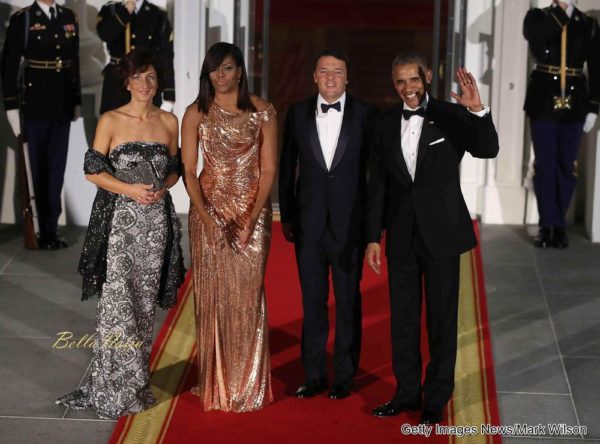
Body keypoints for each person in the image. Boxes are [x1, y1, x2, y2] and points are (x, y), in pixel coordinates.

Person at [365, 52, 499, 424]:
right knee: (403, 320)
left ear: (425, 78)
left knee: (441, 320)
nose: (408, 88)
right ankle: (406, 392)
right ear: (394, 84)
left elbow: (487, 149)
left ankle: (435, 398)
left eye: (413, 79)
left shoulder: (450, 114)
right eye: (400, 82)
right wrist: (373, 236)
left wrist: (477, 111)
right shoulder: (385, 121)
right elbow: (378, 183)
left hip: (442, 232)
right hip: (402, 234)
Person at [55, 50, 185, 419]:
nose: (145, 84)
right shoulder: (111, 120)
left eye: (151, 77)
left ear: (158, 82)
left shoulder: (169, 122)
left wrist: (164, 187)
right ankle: (110, 384)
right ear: (126, 82)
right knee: (116, 304)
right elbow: (92, 170)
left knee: (143, 306)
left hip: (156, 225)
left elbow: (175, 169)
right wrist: (129, 190)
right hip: (119, 226)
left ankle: (135, 383)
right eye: (138, 77)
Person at [181, 42, 277, 412]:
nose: (220, 76)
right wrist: (206, 219)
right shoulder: (196, 113)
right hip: (209, 210)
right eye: (214, 70)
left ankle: (247, 383)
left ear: (240, 71)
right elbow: (189, 170)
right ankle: (216, 385)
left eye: (227, 68)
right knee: (213, 300)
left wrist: (252, 217)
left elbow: (268, 169)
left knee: (248, 298)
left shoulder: (264, 111)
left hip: (251, 211)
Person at [279, 50, 374, 400]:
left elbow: (374, 174)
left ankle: (345, 376)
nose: (331, 77)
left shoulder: (366, 113)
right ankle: (314, 374)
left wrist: (372, 229)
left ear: (347, 78)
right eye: (324, 71)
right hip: (309, 224)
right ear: (314, 77)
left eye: (338, 71)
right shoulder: (298, 112)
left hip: (350, 225)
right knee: (313, 302)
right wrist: (287, 216)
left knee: (348, 302)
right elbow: (288, 164)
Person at [1, 0, 81, 249]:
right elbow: (9, 66)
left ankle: (51, 229)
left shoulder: (67, 16)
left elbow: (73, 61)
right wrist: (11, 107)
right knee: (35, 169)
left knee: (56, 169)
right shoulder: (23, 18)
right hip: (34, 104)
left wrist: (75, 99)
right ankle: (34, 226)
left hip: (62, 104)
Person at [523, 0, 600, 249]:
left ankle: (559, 225)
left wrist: (594, 107)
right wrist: (560, 11)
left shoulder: (588, 24)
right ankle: (547, 225)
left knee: (567, 166)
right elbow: (536, 37)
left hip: (576, 101)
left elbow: (597, 67)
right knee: (545, 165)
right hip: (543, 100)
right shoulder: (537, 16)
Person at [97, 0, 175, 114]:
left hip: (145, 84)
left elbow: (166, 56)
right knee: (115, 127)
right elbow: (104, 34)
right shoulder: (111, 9)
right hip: (116, 83)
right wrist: (125, 12)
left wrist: (169, 94)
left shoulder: (157, 14)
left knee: (146, 128)